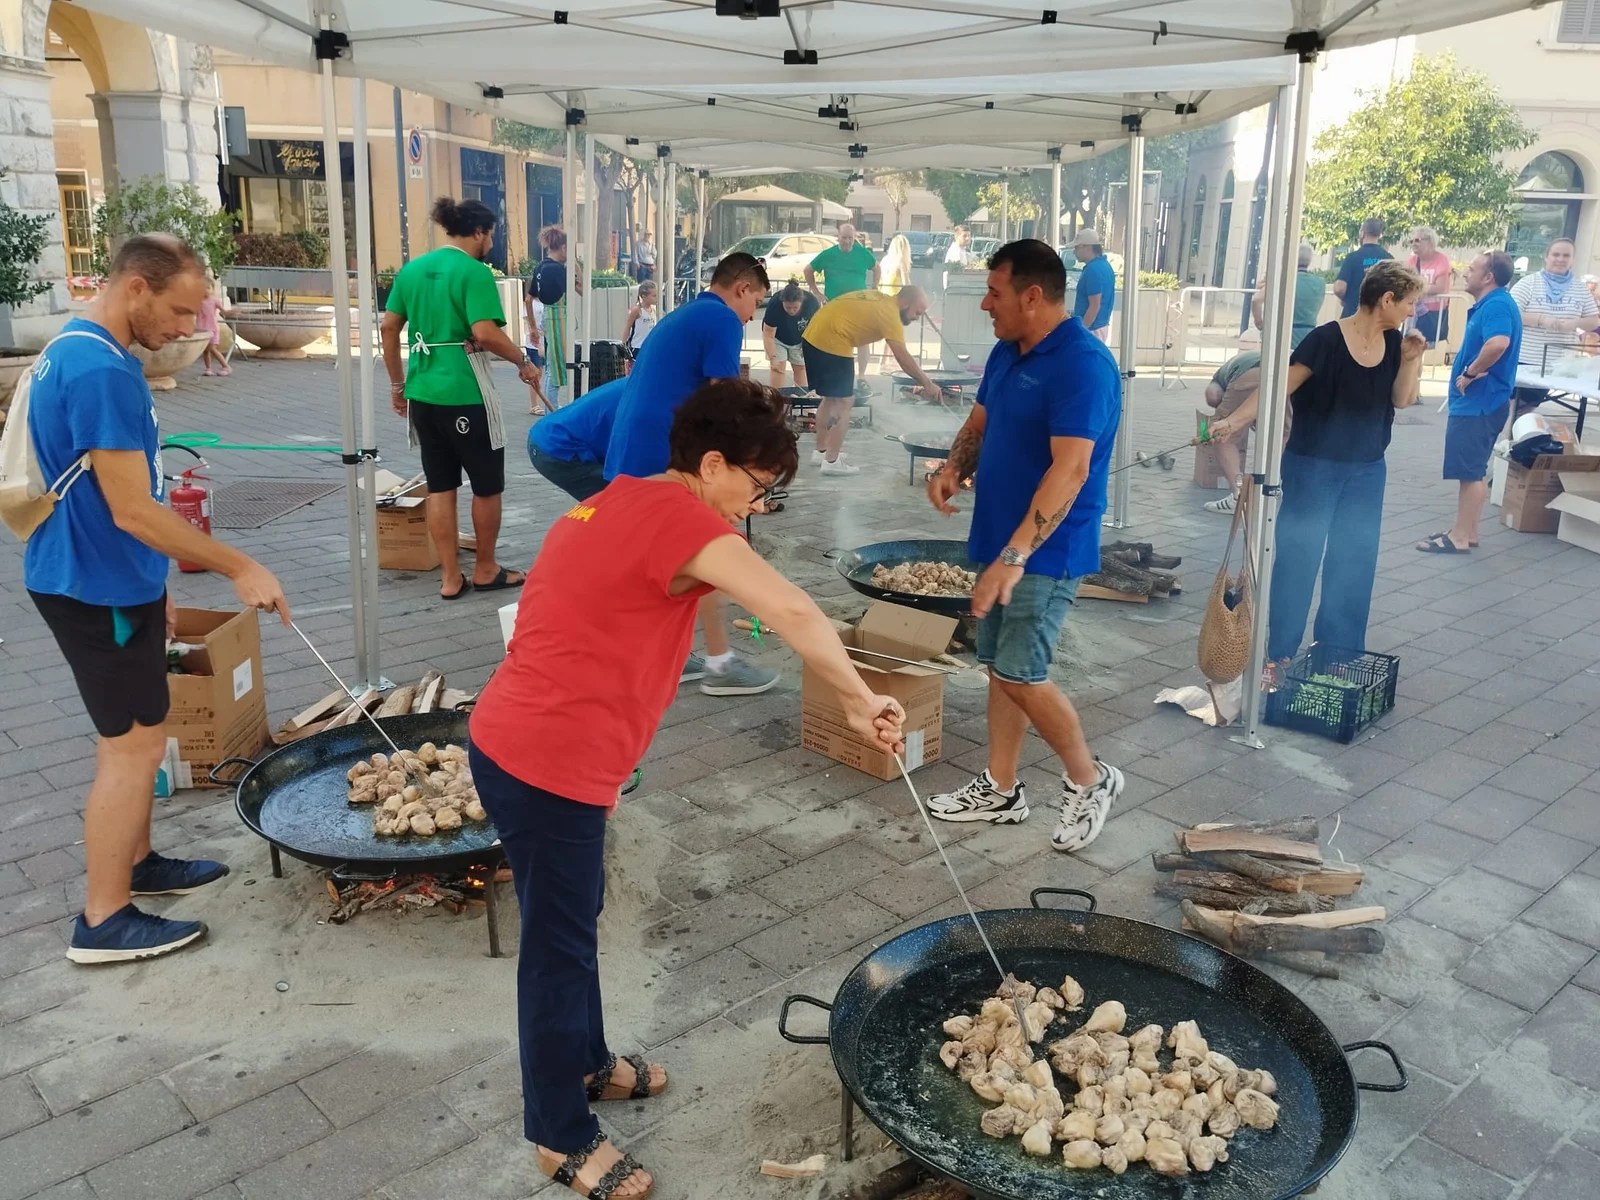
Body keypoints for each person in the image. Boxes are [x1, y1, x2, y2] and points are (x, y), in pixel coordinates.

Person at [470, 380, 905, 1200]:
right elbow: (791, 606)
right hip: (544, 761)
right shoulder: (681, 518)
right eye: (757, 488)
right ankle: (558, 1133)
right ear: (711, 465)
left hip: (531, 745)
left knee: (575, 918)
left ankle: (588, 1062)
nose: (756, 506)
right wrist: (858, 697)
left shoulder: (624, 496)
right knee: (556, 948)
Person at [24, 234, 290, 964]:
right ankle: (103, 919)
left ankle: (138, 862)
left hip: (116, 578)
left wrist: (160, 583)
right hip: (92, 582)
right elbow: (133, 510)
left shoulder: (82, 346)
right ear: (136, 287)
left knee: (147, 726)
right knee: (132, 748)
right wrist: (239, 565)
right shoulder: (99, 371)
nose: (187, 329)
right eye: (179, 311)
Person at [922, 240, 1125, 853]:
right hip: (996, 534)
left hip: (1046, 551)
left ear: (1033, 297)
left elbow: (1071, 471)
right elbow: (980, 423)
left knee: (1021, 671)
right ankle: (1002, 787)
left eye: (995, 293)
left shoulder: (1083, 366)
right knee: (998, 668)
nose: (986, 304)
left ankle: (1091, 779)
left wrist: (1014, 560)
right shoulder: (1006, 352)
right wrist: (955, 465)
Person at [1211, 261, 1427, 689]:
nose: (1411, 311)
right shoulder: (1325, 340)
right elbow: (1277, 388)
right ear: (1387, 299)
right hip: (1313, 467)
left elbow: (1401, 401)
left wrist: (1411, 361)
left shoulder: (1394, 340)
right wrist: (1232, 422)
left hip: (1366, 471)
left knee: (1354, 560)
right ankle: (1280, 654)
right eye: (1410, 303)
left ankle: (1339, 653)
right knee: (1299, 557)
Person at [606, 252, 779, 696]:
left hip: (635, 445)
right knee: (705, 544)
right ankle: (720, 665)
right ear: (741, 288)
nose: (751, 314)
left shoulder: (686, 313)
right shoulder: (721, 320)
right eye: (755, 302)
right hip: (661, 450)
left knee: (661, 557)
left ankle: (673, 655)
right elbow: (724, 402)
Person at [381, 198, 543, 601]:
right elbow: (485, 332)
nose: (491, 241)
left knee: (441, 486)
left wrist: (397, 385)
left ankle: (451, 577)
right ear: (479, 232)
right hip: (465, 392)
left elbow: (388, 328)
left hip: (422, 390)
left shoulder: (412, 270)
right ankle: (486, 568)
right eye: (491, 234)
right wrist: (524, 362)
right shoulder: (474, 272)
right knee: (487, 485)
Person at [1416, 251, 1522, 555]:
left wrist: (1469, 372)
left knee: (1470, 471)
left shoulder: (1498, 304)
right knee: (1471, 470)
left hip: (1480, 403)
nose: (1465, 272)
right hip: (1481, 402)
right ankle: (1467, 531)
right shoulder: (1494, 303)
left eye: (1472, 268)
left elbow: (1498, 342)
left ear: (1488, 277)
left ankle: (1460, 537)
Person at [801, 286, 940, 473]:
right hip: (833, 339)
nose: (917, 317)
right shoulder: (890, 314)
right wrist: (928, 383)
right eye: (917, 311)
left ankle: (821, 452)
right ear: (906, 303)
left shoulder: (881, 299)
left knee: (831, 398)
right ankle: (832, 463)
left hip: (813, 335)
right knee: (844, 401)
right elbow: (902, 358)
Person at [1510, 238, 1600, 416]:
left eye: (1566, 255)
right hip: (1525, 356)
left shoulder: (1580, 289)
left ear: (1572, 259)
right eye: (1556, 254)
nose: (1560, 259)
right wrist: (1540, 319)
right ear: (1546, 257)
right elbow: (1510, 313)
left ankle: (1518, 437)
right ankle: (1507, 437)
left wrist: (1575, 323)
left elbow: (1593, 320)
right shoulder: (1529, 283)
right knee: (1514, 405)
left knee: (1528, 407)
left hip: (1558, 362)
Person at [527, 378, 626, 503]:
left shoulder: (637, 385)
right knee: (620, 499)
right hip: (557, 446)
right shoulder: (642, 401)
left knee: (620, 498)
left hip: (547, 434)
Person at [1200, 351, 1262, 516]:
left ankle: (1239, 496)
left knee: (1222, 437)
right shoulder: (1241, 359)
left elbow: (1214, 396)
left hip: (1250, 374)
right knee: (1282, 436)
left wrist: (1229, 419)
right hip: (1286, 370)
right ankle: (1274, 490)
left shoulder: (1218, 378)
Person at [530, 225, 576, 406]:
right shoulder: (557, 270)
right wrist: (576, 266)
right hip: (557, 319)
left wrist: (533, 327)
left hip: (547, 317)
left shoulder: (541, 267)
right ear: (563, 247)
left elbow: (528, 298)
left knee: (551, 367)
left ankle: (552, 407)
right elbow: (580, 289)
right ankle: (552, 409)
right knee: (556, 368)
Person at [1251, 243, 1326, 350]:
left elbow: (1256, 300)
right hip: (1309, 335)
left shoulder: (1283, 281)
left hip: (1282, 334)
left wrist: (1259, 323)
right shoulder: (1320, 283)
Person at [1331, 217, 1392, 319]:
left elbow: (1339, 288)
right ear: (1379, 235)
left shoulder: (1353, 257)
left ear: (1362, 233)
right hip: (1378, 318)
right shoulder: (1389, 259)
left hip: (1353, 315)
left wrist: (1347, 299)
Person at [761, 281, 819, 389]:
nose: (791, 311)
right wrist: (773, 358)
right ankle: (778, 399)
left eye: (795, 308)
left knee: (801, 368)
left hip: (801, 338)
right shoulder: (775, 304)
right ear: (782, 302)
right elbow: (768, 334)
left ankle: (801, 399)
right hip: (777, 338)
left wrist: (810, 348)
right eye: (787, 307)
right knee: (778, 368)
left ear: (802, 302)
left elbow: (817, 328)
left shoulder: (812, 303)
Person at [805, 223, 879, 305]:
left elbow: (877, 268)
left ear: (854, 237)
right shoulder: (828, 254)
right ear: (838, 237)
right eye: (844, 238)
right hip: (834, 303)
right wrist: (817, 293)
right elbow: (808, 270)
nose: (847, 241)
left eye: (850, 238)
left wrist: (875, 287)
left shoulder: (862, 252)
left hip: (859, 303)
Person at [1407, 227, 1454, 346]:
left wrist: (1417, 288)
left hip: (1433, 314)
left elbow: (1440, 287)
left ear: (1429, 241)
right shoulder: (1412, 261)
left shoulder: (1441, 260)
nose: (1413, 244)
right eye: (1411, 241)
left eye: (1417, 240)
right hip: (1413, 314)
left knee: (1425, 347)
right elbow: (1406, 283)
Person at [1071, 228, 1115, 343]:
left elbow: (1094, 306)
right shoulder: (1105, 266)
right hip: (1099, 327)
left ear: (1088, 247)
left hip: (1091, 329)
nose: (1074, 251)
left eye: (1077, 247)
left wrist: (1082, 331)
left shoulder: (1092, 270)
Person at [196, 277, 230, 377]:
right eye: (203, 288)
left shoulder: (215, 301)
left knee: (213, 349)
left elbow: (224, 312)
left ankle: (225, 366)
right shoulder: (198, 302)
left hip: (213, 329)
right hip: (202, 329)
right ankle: (208, 368)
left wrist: (232, 312)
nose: (206, 290)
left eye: (208, 288)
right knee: (206, 351)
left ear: (212, 289)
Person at [621, 280, 658, 370]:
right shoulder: (637, 310)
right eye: (653, 296)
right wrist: (623, 344)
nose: (656, 298)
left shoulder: (653, 309)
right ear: (644, 296)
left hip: (649, 345)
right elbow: (628, 326)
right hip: (637, 346)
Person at [943, 225, 974, 290]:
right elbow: (959, 272)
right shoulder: (955, 251)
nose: (967, 238)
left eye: (969, 235)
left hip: (959, 288)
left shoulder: (962, 250)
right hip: (956, 290)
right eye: (964, 236)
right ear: (957, 237)